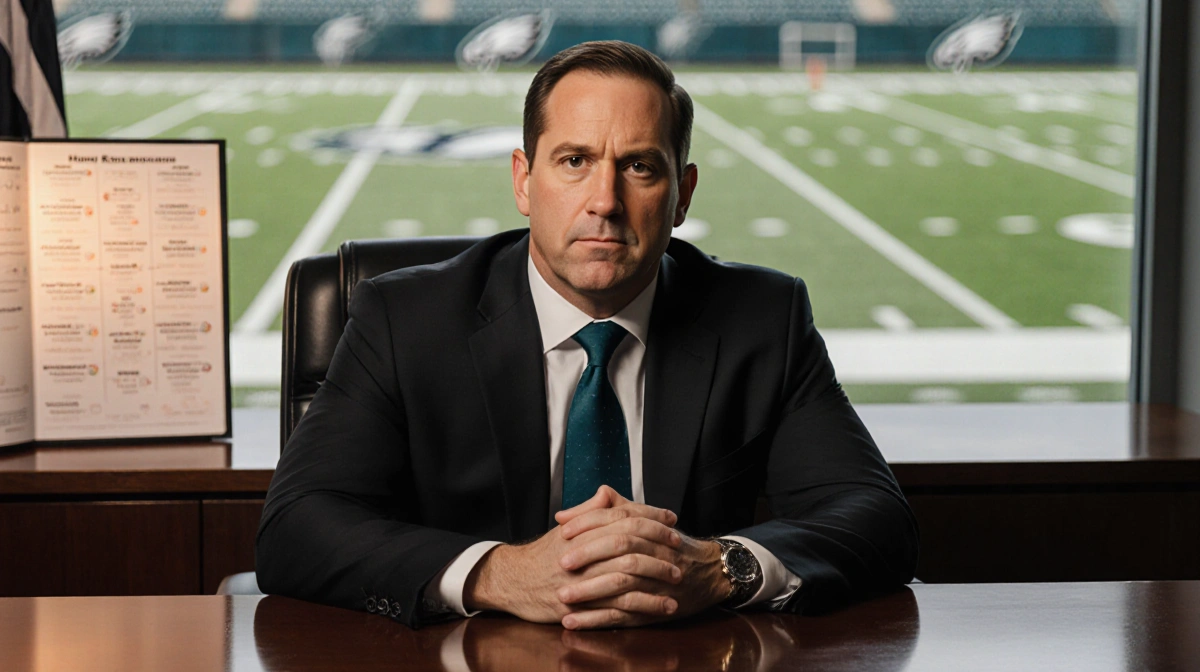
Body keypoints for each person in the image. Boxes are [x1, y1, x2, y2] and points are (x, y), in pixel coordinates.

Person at [256, 40, 918, 631]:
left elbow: (874, 517)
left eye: (639, 167)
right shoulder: (403, 318)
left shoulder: (761, 317)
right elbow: (295, 529)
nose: (604, 199)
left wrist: (720, 567)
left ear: (682, 194)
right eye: (574, 160)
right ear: (523, 179)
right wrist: (500, 574)